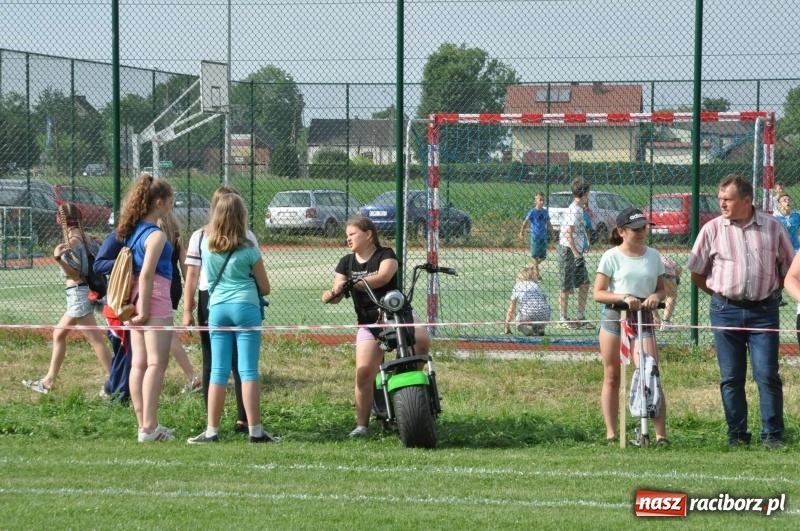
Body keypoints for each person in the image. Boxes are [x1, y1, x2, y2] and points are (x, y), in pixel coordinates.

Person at [687, 174, 793, 450]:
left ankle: (773, 435)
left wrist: (770, 293)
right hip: (725, 311)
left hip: (763, 312)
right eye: (720, 199)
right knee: (731, 377)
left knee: (767, 374)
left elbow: (789, 270)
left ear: (746, 200)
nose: (722, 204)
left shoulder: (773, 227)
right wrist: (721, 295)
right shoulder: (711, 229)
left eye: (728, 199)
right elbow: (697, 272)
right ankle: (736, 435)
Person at [322, 216, 431, 438]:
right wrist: (332, 294)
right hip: (369, 323)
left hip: (398, 315)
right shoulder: (346, 262)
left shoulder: (386, 254)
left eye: (352, 234)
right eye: (346, 236)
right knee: (363, 374)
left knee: (421, 340)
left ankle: (409, 392)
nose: (348, 239)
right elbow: (336, 293)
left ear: (368, 234)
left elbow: (383, 277)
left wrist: (354, 283)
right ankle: (362, 425)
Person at [187, 193, 278, 444]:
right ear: (241, 216)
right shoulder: (249, 249)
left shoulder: (206, 246)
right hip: (246, 307)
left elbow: (200, 277)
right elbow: (265, 287)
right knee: (247, 370)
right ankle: (255, 431)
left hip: (217, 309)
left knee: (218, 369)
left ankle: (212, 430)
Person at [593, 207, 668, 446]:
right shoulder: (611, 256)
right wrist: (624, 297)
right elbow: (599, 293)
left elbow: (661, 288)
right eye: (636, 229)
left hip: (643, 318)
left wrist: (656, 297)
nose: (642, 232)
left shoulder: (653, 256)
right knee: (612, 375)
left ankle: (660, 435)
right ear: (622, 231)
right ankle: (612, 434)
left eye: (644, 228)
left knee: (650, 372)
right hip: (616, 318)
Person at [183, 186, 254, 434]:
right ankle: (213, 419)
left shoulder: (247, 236)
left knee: (235, 362)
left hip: (219, 302)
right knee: (213, 360)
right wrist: (187, 309)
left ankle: (241, 420)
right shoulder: (199, 237)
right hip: (211, 299)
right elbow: (191, 274)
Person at [22, 203, 112, 394]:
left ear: (60, 220)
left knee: (95, 340)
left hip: (78, 293)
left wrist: (58, 259)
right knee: (59, 334)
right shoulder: (90, 239)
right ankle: (48, 381)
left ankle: (117, 382)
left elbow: (75, 273)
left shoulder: (73, 241)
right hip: (84, 293)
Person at [118, 174, 176, 442]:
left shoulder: (133, 231)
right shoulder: (156, 235)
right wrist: (143, 309)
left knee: (139, 363)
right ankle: (150, 426)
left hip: (133, 299)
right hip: (153, 299)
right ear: (159, 203)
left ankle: (143, 424)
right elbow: (147, 275)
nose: (172, 205)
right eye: (171, 201)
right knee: (156, 362)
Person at [157, 211, 201, 393]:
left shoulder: (154, 233)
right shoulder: (174, 231)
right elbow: (185, 264)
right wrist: (190, 294)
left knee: (167, 333)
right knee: (160, 332)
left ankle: (193, 376)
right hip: (173, 284)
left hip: (161, 285)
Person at [94, 229, 132, 402]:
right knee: (124, 351)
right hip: (118, 303)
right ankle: (117, 395)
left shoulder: (146, 232)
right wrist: (124, 261)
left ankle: (113, 387)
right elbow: (99, 264)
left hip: (135, 301)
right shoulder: (118, 236)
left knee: (129, 353)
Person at [556, 178, 594, 330]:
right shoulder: (574, 210)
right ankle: (562, 318)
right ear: (585, 193)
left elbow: (577, 232)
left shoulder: (580, 209)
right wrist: (576, 253)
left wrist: (585, 243)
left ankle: (580, 316)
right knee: (565, 285)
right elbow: (567, 234)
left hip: (576, 251)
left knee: (584, 283)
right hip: (567, 251)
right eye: (589, 192)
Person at [503, 266, 551, 336]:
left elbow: (512, 308)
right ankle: (540, 328)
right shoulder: (537, 286)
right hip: (544, 314)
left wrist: (507, 326)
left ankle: (520, 324)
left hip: (527, 313)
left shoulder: (518, 286)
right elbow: (545, 301)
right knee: (542, 309)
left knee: (520, 315)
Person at [518, 192, 552, 280]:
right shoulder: (532, 211)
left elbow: (549, 223)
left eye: (543, 200)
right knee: (535, 256)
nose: (542, 202)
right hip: (535, 236)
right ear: (535, 201)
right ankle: (537, 274)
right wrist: (521, 232)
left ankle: (530, 268)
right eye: (540, 200)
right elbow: (525, 222)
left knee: (543, 256)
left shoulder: (545, 212)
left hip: (543, 236)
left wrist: (552, 233)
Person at [652, 255, 682, 332]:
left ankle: (655, 319)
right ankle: (666, 322)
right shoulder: (673, 263)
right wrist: (675, 279)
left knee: (652, 295)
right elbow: (679, 270)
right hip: (669, 273)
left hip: (654, 272)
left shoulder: (653, 256)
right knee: (671, 295)